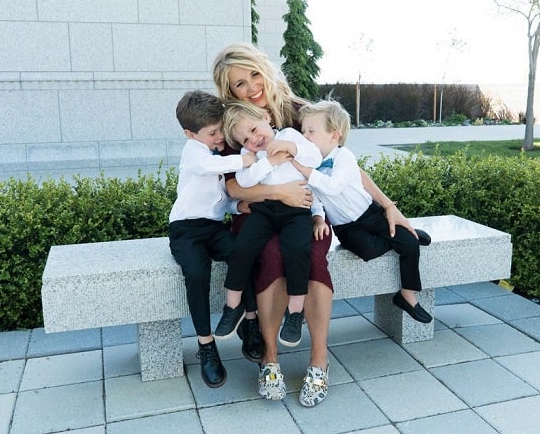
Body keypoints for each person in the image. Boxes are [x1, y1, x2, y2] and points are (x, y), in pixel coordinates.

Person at [212, 42, 419, 407]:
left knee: (310, 256)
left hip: (307, 213)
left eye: (254, 75)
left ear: (265, 70)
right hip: (259, 214)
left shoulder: (301, 113)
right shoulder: (236, 124)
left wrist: (387, 204)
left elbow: (343, 164)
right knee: (270, 256)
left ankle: (319, 362)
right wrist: (278, 195)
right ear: (230, 92)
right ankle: (269, 360)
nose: (251, 88)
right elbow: (231, 185)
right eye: (239, 84)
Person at [291, 99, 433, 323]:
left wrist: (307, 171)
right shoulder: (308, 164)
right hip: (345, 228)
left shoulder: (343, 157)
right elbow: (315, 197)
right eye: (303, 131)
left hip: (370, 213)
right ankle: (394, 240)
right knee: (368, 250)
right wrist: (318, 218)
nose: (305, 136)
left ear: (334, 136)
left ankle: (407, 295)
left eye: (311, 131)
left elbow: (333, 187)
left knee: (409, 243)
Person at [214, 101, 325, 348]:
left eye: (254, 130)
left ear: (266, 117)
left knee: (297, 250)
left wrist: (292, 147)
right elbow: (243, 183)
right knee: (242, 248)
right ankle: (233, 306)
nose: (253, 140)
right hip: (264, 210)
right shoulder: (249, 156)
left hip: (297, 208)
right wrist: (268, 162)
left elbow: (315, 157)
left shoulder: (289, 135)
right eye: (245, 140)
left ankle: (295, 313)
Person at [167, 90, 256, 388]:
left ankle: (250, 323)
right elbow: (208, 168)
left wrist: (237, 206)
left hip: (214, 227)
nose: (219, 137)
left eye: (220, 129)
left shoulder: (214, 155)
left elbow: (217, 200)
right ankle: (206, 346)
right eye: (213, 132)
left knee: (243, 254)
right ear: (190, 134)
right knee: (196, 272)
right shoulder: (194, 152)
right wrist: (245, 160)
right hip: (185, 231)